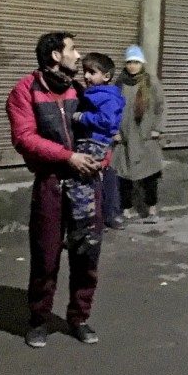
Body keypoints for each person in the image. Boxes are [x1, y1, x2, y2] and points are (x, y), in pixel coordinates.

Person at [7, 32, 105, 349]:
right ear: (55, 56)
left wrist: (101, 159)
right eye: (72, 49)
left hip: (86, 184)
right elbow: (25, 138)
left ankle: (79, 318)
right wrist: (67, 157)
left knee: (86, 255)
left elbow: (103, 128)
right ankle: (39, 320)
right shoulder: (25, 90)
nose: (78, 56)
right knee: (45, 257)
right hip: (51, 184)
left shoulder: (82, 90)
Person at [70, 53, 125, 246]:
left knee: (83, 187)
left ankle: (88, 229)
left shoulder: (106, 96)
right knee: (87, 186)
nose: (86, 76)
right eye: (85, 71)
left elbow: (107, 121)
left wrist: (82, 117)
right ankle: (89, 228)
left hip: (93, 144)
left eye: (92, 72)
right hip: (92, 142)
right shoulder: (98, 93)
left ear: (107, 76)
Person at [112, 45, 167, 225]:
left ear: (142, 63)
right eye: (129, 62)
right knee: (123, 177)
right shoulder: (119, 83)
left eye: (136, 62)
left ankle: (152, 210)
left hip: (146, 137)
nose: (132, 66)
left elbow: (160, 106)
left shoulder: (151, 82)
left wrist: (157, 128)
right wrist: (114, 132)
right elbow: (112, 109)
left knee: (150, 176)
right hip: (125, 138)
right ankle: (125, 209)